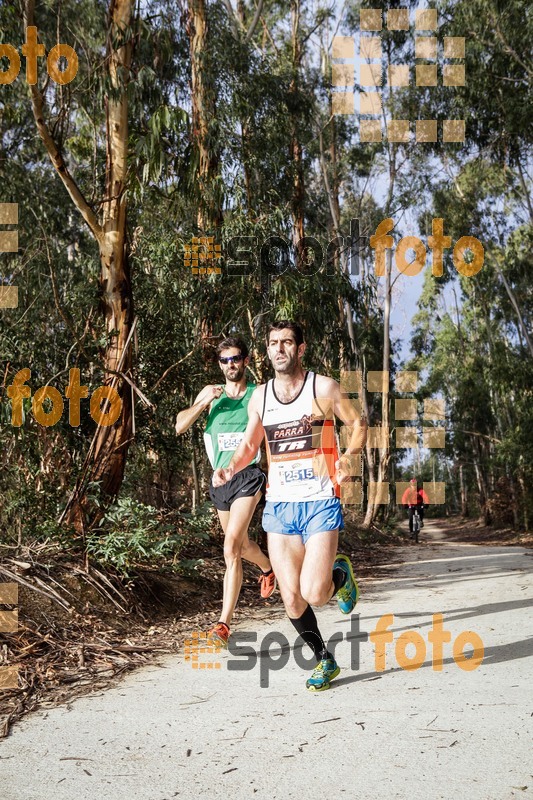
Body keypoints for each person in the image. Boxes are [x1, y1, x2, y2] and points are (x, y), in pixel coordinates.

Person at [213, 321, 368, 692]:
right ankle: (324, 661)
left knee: (315, 592)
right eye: (272, 343)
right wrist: (232, 466)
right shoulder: (260, 397)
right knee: (291, 597)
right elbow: (250, 445)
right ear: (266, 352)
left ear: (300, 349)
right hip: (280, 507)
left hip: (318, 502)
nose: (279, 348)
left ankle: (339, 576)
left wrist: (349, 456)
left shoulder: (323, 387)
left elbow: (358, 422)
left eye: (286, 342)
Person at [175, 336, 276, 648]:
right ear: (219, 365)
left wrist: (272, 473)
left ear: (245, 360)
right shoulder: (210, 395)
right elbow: (179, 425)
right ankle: (268, 567)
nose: (231, 364)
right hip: (220, 480)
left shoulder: (257, 394)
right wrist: (204, 401)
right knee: (243, 546)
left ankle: (223, 624)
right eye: (225, 360)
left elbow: (269, 436)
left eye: (236, 358)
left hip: (248, 475)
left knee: (230, 547)